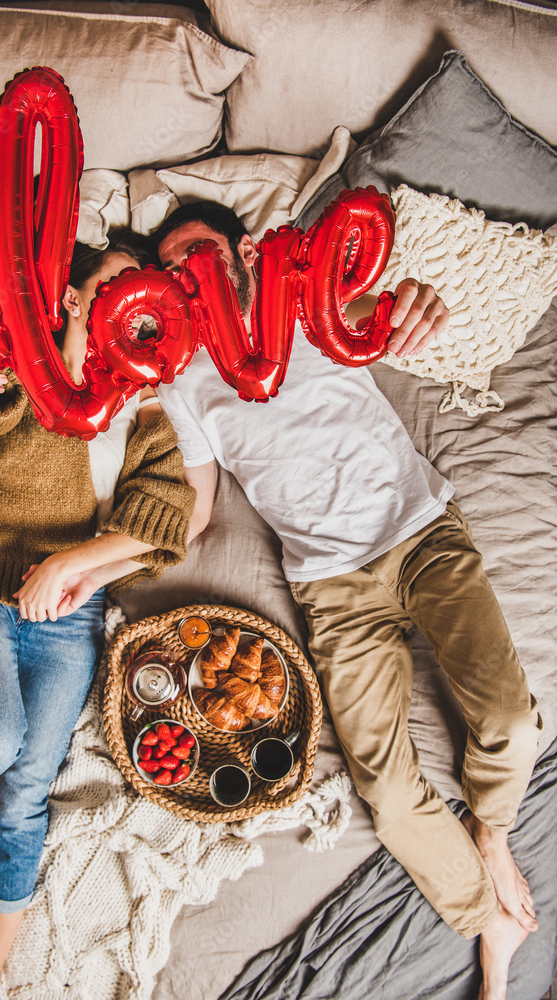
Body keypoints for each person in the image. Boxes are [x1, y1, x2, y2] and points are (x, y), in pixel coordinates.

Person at [151, 201, 541, 1000]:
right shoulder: (184, 379)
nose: (194, 277)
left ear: (245, 253)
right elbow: (196, 501)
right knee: (390, 797)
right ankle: (484, 919)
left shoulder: (306, 302)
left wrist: (416, 306)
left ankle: (492, 832)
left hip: (420, 533)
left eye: (202, 255)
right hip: (331, 588)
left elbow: (392, 314)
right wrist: (116, 556)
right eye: (176, 270)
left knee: (506, 723)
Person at [0, 229, 210, 1000]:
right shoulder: (22, 354)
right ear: (75, 297)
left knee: (32, 781)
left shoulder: (147, 409)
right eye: (116, 281)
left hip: (69, 602)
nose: (136, 299)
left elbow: (167, 513)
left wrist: (81, 566)